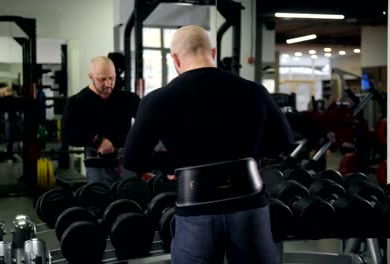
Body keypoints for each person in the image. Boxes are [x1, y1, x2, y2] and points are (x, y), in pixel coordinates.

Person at [123, 25, 294, 264]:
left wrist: (170, 164)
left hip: (196, 209)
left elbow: (132, 159)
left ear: (174, 58)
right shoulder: (254, 92)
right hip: (248, 205)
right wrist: (248, 154)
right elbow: (284, 141)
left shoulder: (157, 100)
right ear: (212, 52)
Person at [62, 56, 140, 185]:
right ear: (91, 76)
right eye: (102, 79)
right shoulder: (77, 102)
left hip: (126, 163)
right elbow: (66, 136)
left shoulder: (128, 99)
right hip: (97, 165)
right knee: (102, 202)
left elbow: (148, 121)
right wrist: (96, 141)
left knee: (131, 202)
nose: (108, 83)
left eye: (112, 78)